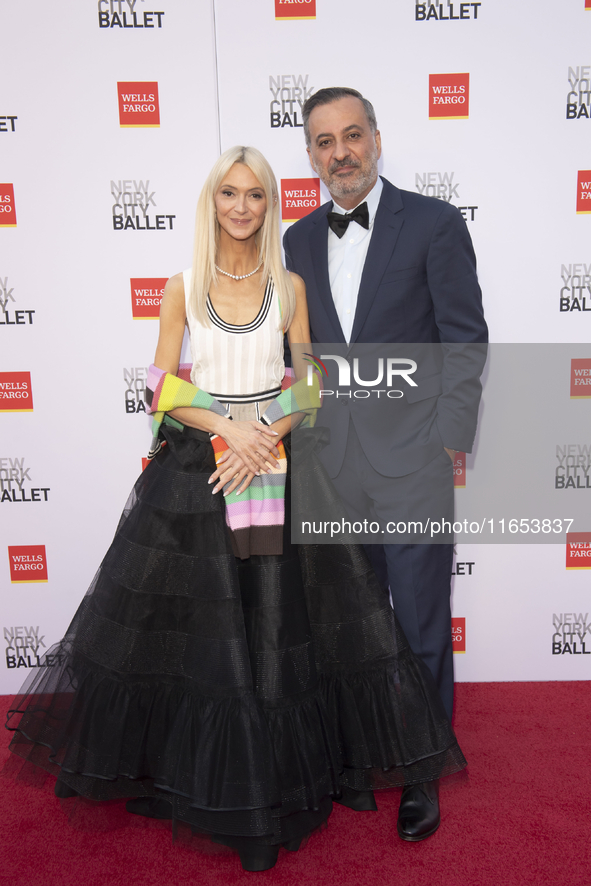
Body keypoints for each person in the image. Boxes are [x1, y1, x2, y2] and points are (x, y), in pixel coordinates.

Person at [6, 146, 466, 871]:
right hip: (203, 469)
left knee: (283, 626)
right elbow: (161, 384)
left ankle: (290, 771)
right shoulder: (182, 285)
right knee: (209, 633)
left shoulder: (290, 283)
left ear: (269, 202)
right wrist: (228, 431)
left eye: (255, 194)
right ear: (211, 201)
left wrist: (268, 437)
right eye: (230, 193)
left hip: (280, 463)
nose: (242, 206)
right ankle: (194, 772)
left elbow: (309, 381)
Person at [283, 87, 488, 841]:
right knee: (350, 625)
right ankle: (360, 756)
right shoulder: (298, 241)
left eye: (352, 135)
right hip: (334, 469)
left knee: (422, 628)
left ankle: (421, 768)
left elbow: (464, 337)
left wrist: (447, 439)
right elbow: (300, 358)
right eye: (323, 141)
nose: (340, 152)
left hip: (413, 466)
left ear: (376, 138)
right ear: (309, 155)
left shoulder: (433, 223)